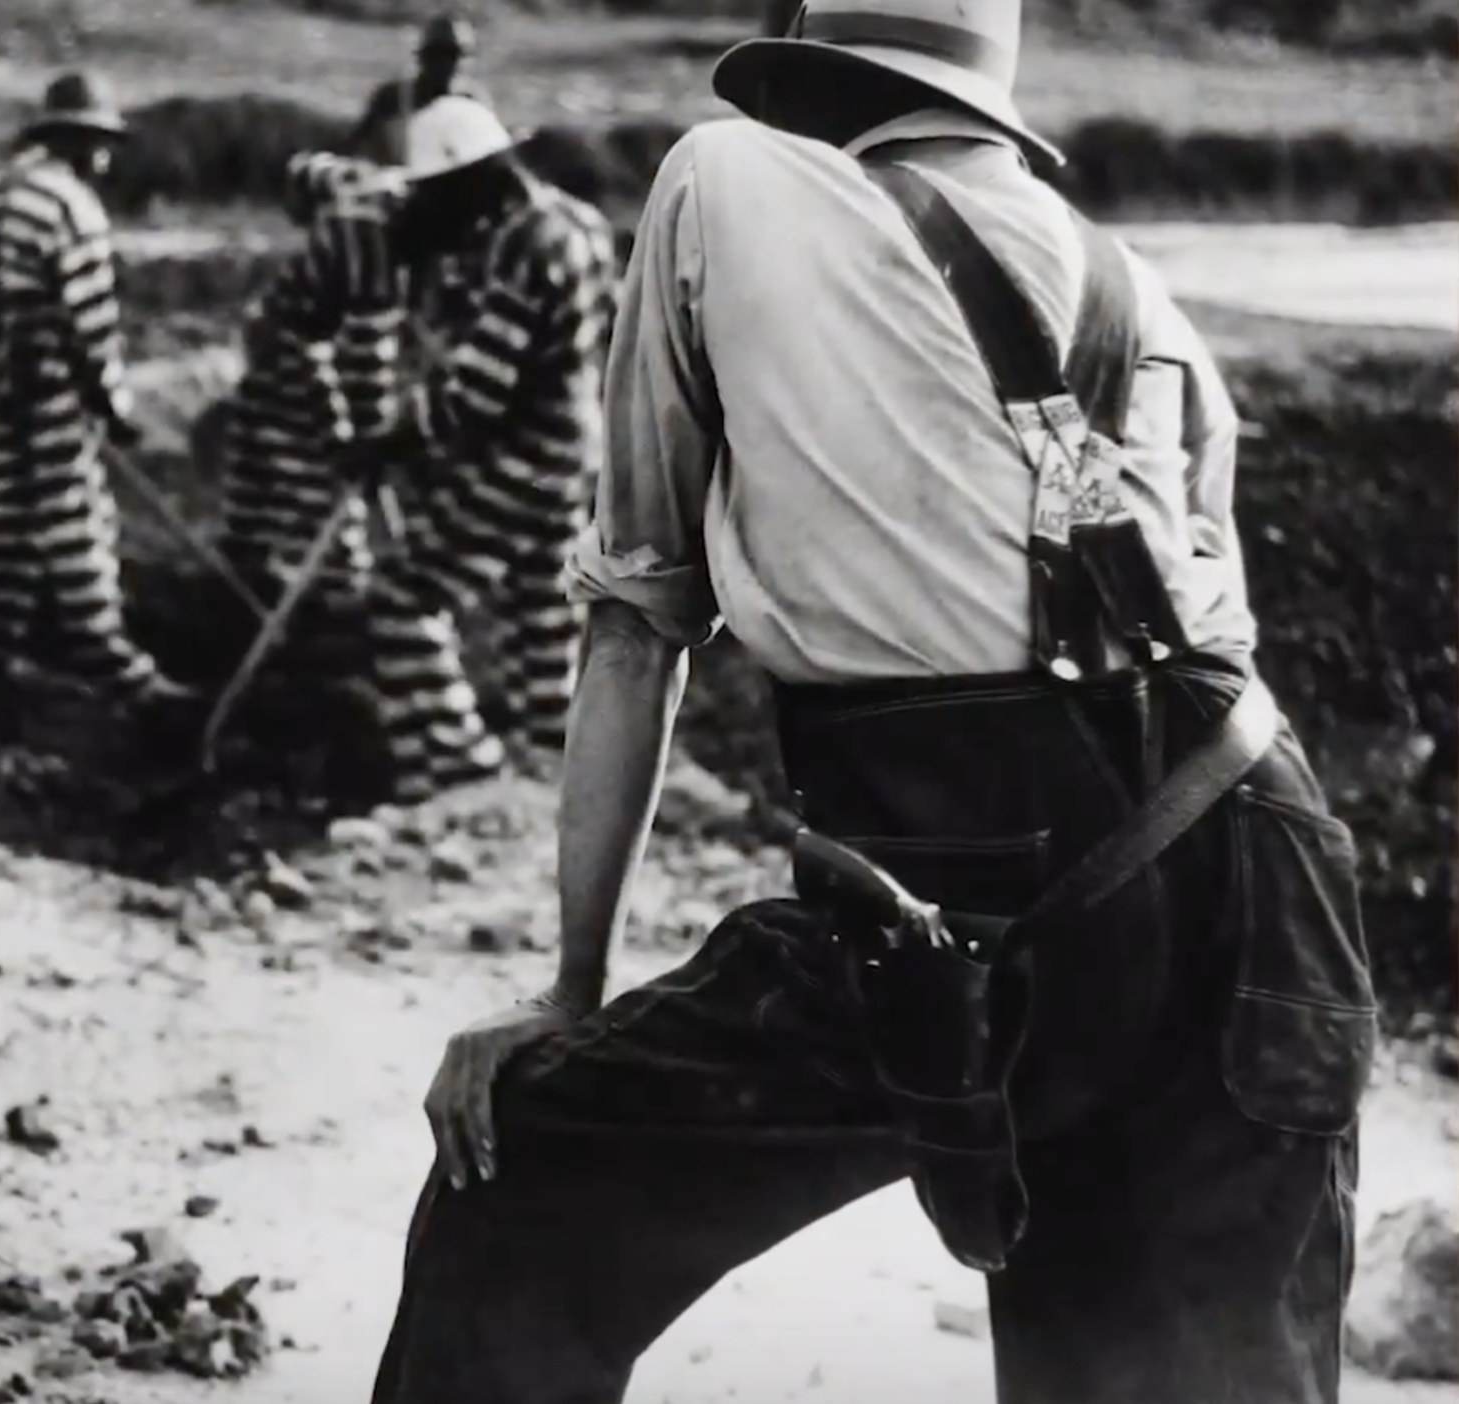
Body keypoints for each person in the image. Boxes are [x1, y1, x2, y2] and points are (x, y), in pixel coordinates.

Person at [372, 3, 1375, 1403]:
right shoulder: (1140, 292)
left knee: (522, 1179)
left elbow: (633, 631)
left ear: (807, 63)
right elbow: (1195, 623)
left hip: (965, 857)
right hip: (1259, 867)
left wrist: (570, 995)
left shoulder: (720, 179)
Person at [340, 96, 619, 803]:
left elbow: (480, 392)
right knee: (541, 614)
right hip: (574, 455)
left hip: (524, 463)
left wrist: (390, 440)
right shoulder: (580, 224)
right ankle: (550, 776)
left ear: (474, 180)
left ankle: (465, 773)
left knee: (400, 600)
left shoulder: (528, 245)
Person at [0, 71, 194, 748]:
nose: (105, 159)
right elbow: (89, 325)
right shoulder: (72, 207)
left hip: (5, 387)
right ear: (82, 142)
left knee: (8, 520)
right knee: (75, 517)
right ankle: (111, 660)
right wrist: (112, 404)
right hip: (50, 392)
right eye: (102, 144)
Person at [212, 150, 410, 632]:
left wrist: (360, 423)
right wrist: (344, 421)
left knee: (317, 481)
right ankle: (277, 596)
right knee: (304, 484)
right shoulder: (357, 232)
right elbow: (304, 335)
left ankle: (328, 599)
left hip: (311, 368)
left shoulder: (365, 234)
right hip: (293, 372)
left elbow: (365, 345)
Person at [347, 16, 494, 166]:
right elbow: (355, 145)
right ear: (423, 58)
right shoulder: (392, 98)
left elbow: (492, 151)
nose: (447, 64)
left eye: (455, 55)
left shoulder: (473, 99)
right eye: (438, 55)